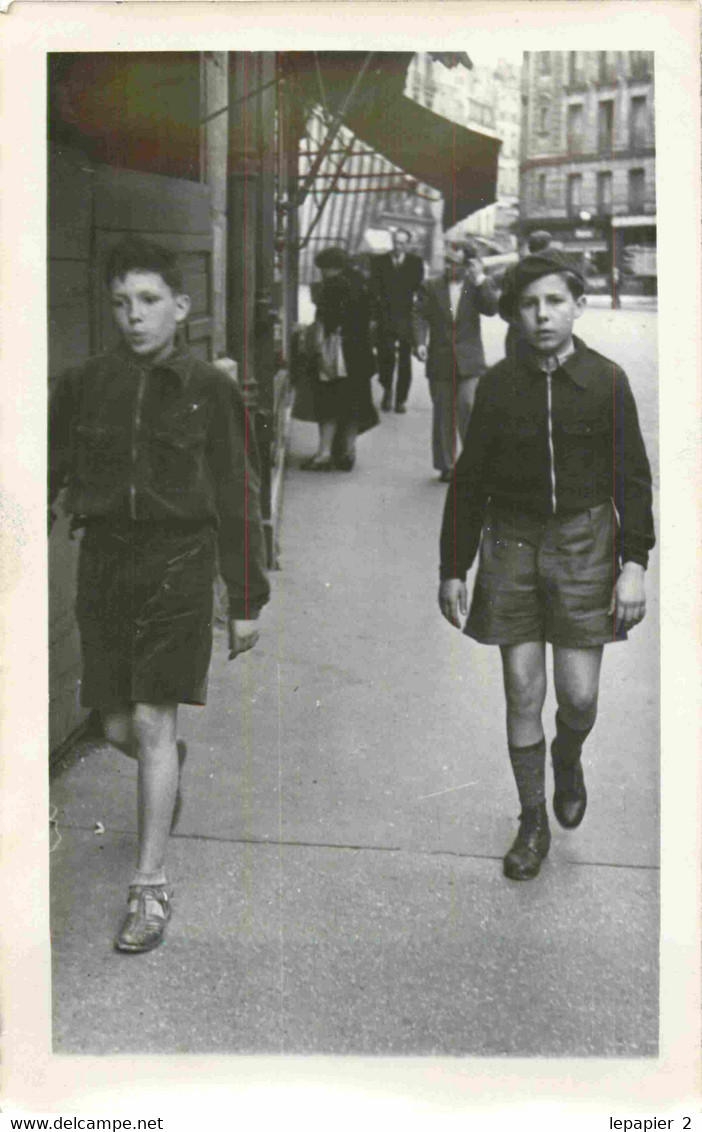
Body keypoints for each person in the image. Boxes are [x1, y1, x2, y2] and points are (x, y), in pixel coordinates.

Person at [49, 236, 270, 952]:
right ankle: (167, 768)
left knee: (149, 722)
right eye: (120, 303)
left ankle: (149, 889)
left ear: (180, 307)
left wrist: (243, 599)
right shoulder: (83, 384)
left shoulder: (211, 387)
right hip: (106, 564)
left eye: (148, 301)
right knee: (119, 729)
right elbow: (43, 475)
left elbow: (239, 493)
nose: (133, 316)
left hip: (179, 563)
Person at [437, 250, 655, 882]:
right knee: (522, 688)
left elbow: (633, 478)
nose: (542, 315)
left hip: (587, 542)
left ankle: (568, 753)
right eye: (530, 304)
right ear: (516, 313)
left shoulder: (608, 380)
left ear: (578, 306)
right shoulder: (501, 386)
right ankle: (532, 821)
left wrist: (633, 563)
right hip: (511, 544)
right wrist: (454, 565)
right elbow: (469, 479)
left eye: (555, 301)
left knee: (579, 696)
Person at [414, 241, 498, 482]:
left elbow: (492, 308)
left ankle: (474, 463)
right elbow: (419, 315)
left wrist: (481, 278)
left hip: (470, 360)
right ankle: (447, 465)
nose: (451, 267)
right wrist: (420, 342)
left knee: (468, 406)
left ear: (468, 264)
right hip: (440, 359)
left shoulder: (476, 285)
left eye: (457, 263)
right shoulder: (431, 286)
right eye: (448, 261)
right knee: (444, 412)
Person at [295, 245, 379, 471]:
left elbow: (325, 323)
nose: (321, 272)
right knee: (354, 404)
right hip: (359, 354)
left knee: (327, 404)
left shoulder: (330, 287)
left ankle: (323, 454)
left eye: (322, 268)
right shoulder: (363, 285)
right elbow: (372, 320)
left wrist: (312, 341)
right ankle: (349, 453)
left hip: (335, 354)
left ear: (329, 267)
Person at [369, 227, 424, 413]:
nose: (398, 246)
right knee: (386, 356)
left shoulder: (416, 263)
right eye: (396, 242)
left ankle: (401, 399)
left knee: (405, 361)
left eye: (402, 243)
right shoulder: (379, 262)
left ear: (408, 244)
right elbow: (373, 290)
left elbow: (419, 291)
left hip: (406, 318)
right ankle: (387, 390)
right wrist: (374, 317)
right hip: (385, 317)